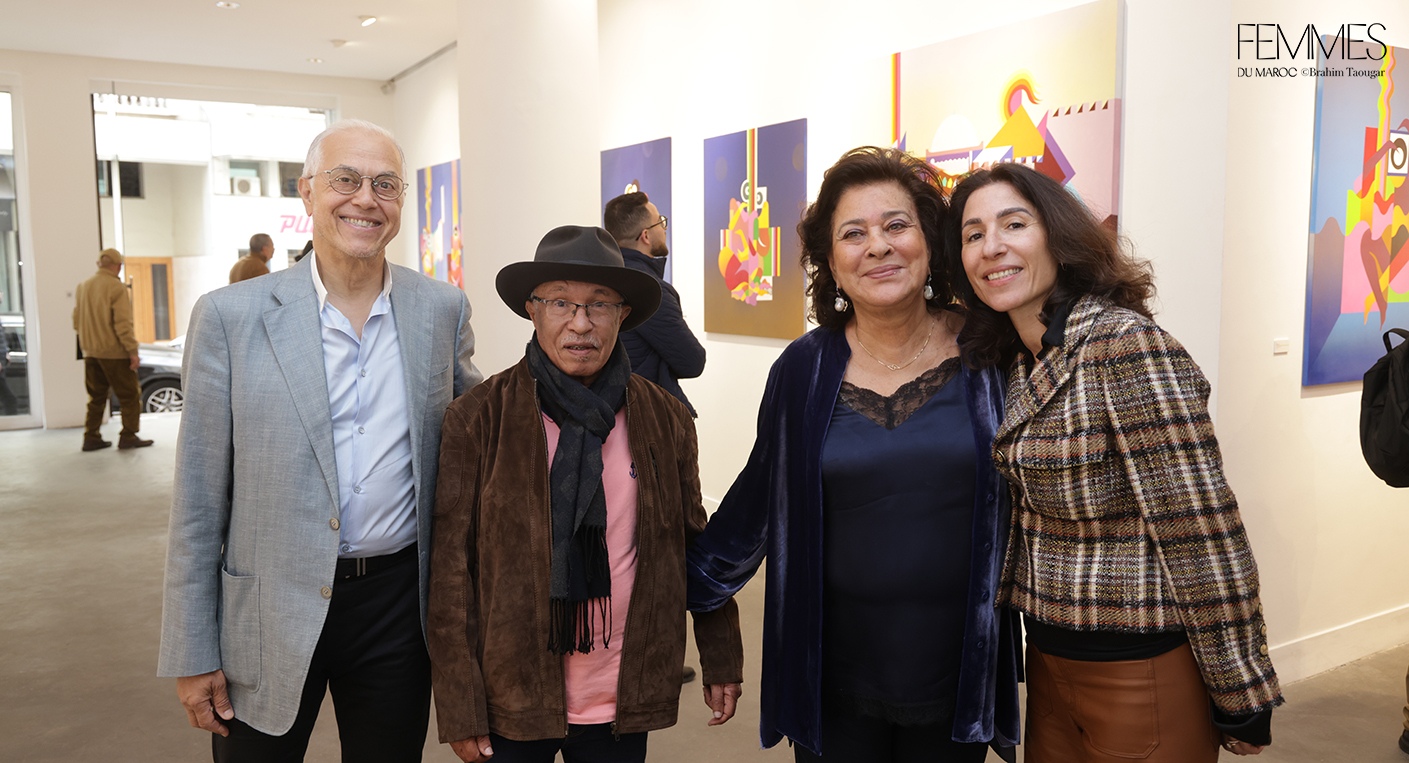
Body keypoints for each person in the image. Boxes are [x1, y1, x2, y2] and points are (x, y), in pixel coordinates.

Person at [158, 119, 483, 762]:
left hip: (397, 609)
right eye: (346, 179)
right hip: (268, 606)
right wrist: (191, 650)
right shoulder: (229, 317)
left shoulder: (441, 310)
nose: (366, 199)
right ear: (307, 192)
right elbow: (197, 500)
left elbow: (475, 444)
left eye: (385, 184)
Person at [687, 147, 1022, 762]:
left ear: (930, 244)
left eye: (896, 225)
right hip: (832, 671)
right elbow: (758, 500)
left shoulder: (991, 354)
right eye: (854, 234)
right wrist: (684, 590)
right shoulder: (803, 369)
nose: (878, 246)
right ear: (833, 265)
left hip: (955, 671)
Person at [948, 162, 1282, 762]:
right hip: (1048, 660)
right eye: (974, 234)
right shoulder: (1018, 360)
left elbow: (1199, 527)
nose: (991, 246)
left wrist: (1240, 686)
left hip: (1139, 666)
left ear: (1058, 236)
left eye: (1014, 224)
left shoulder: (1122, 344)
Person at [427, 225, 743, 763]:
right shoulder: (479, 418)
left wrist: (721, 655)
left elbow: (696, 545)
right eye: (560, 303)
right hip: (514, 689)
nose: (580, 323)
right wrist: (460, 704)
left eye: (599, 305)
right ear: (532, 310)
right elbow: (451, 574)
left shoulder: (663, 418)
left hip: (623, 688)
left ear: (623, 315)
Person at [603, 191, 705, 416]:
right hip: (646, 416)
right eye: (660, 222)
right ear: (646, 236)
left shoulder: (604, 280)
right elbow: (693, 361)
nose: (664, 229)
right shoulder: (649, 289)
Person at [72, 247, 150, 450]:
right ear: (118, 266)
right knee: (129, 395)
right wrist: (132, 351)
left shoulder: (83, 286)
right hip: (114, 353)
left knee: (96, 397)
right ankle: (128, 436)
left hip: (90, 352)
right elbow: (123, 324)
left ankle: (91, 436)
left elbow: (76, 320)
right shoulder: (116, 288)